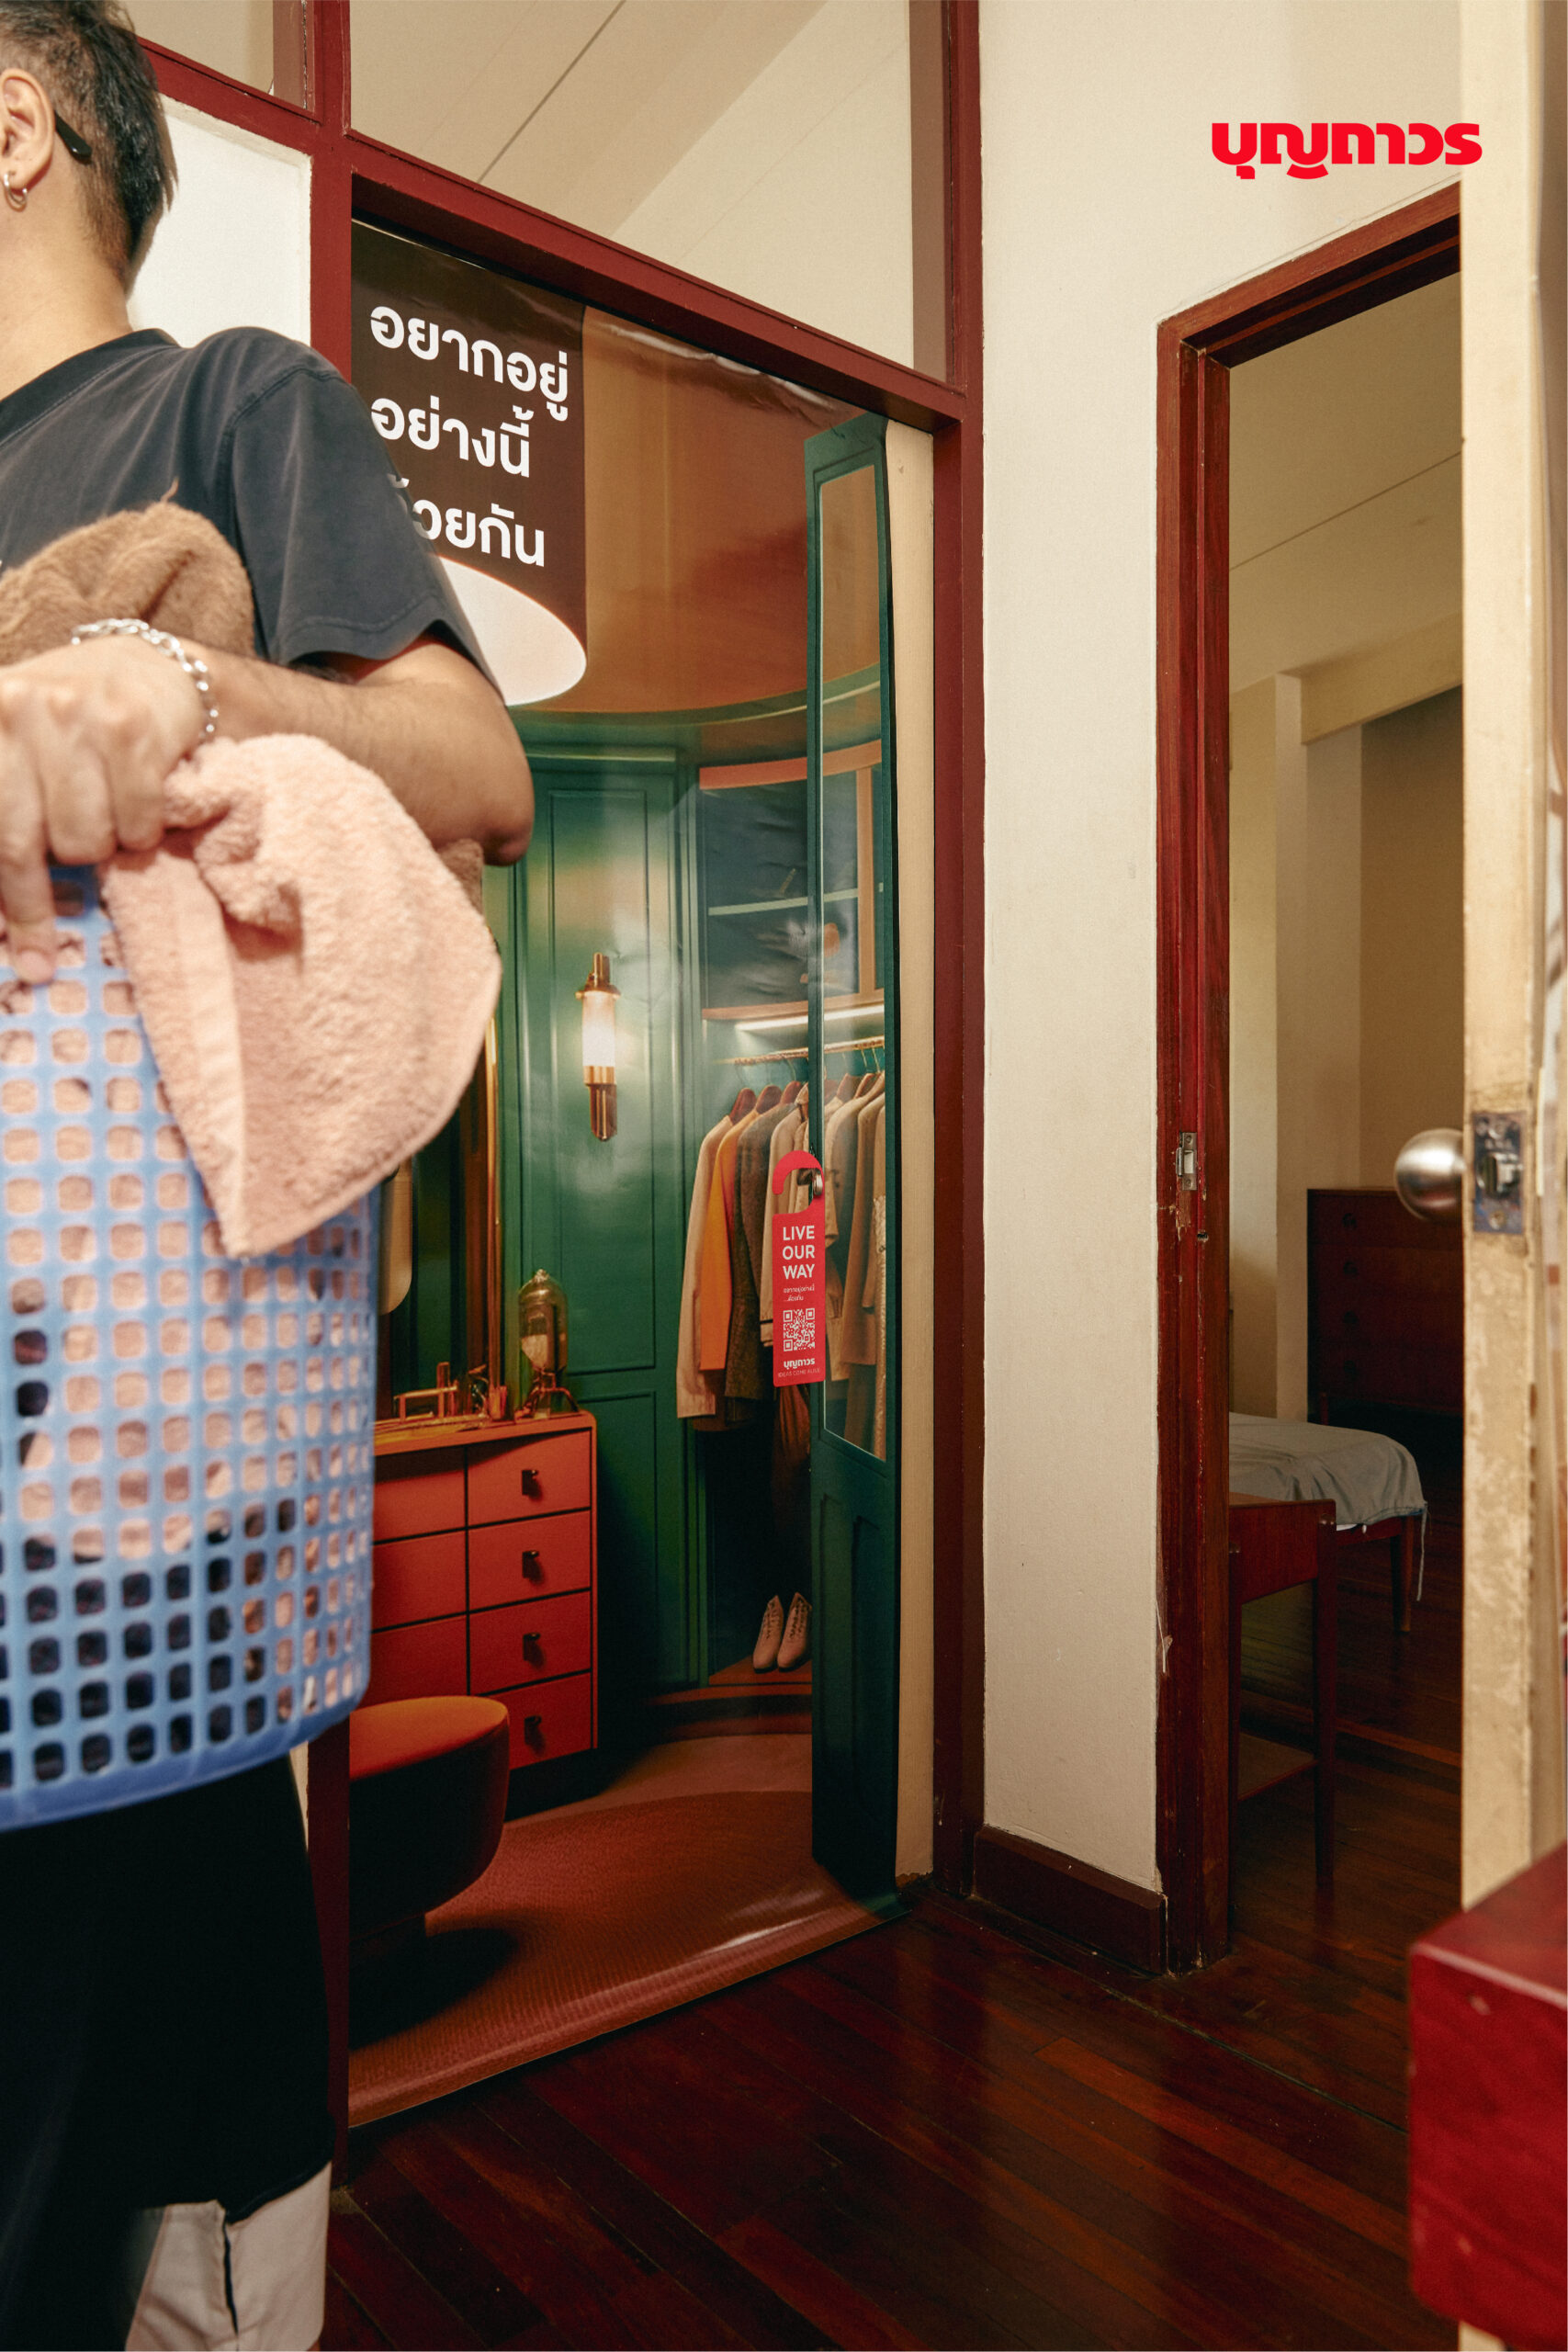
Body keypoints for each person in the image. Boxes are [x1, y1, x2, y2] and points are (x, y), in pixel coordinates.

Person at [0, 5, 533, 2345]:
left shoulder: (218, 403)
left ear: (14, 123)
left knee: (89, 2177)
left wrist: (175, 688)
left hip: (102, 1527)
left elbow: (473, 764)